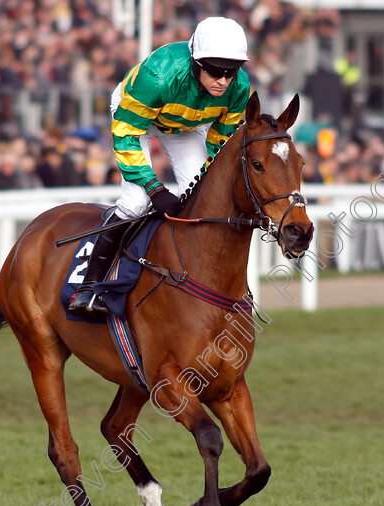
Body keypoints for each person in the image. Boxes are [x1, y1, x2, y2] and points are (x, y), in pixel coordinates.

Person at [69, 16, 251, 315]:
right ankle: (90, 287)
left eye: (231, 72)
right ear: (196, 62)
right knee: (136, 203)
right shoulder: (159, 76)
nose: (223, 80)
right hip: (137, 115)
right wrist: (155, 189)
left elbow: (218, 143)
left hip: (185, 125)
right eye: (216, 71)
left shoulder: (238, 88)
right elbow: (126, 135)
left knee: (203, 200)